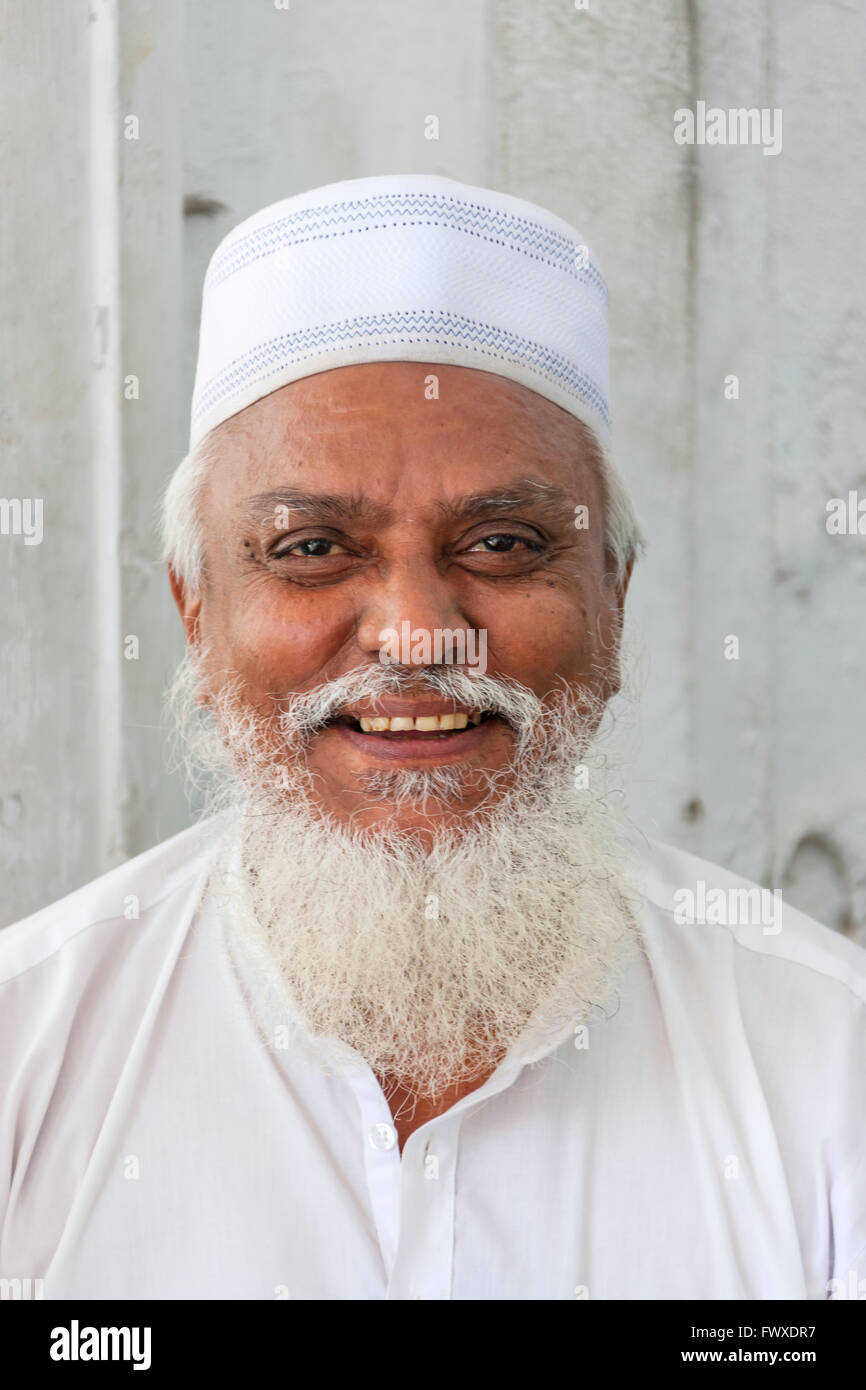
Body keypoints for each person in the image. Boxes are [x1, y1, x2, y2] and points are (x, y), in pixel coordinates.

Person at [1, 175, 863, 1301]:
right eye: (311, 548)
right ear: (196, 612)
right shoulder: (28, 1057)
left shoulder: (825, 1067)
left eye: (503, 543)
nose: (418, 635)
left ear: (613, 601)